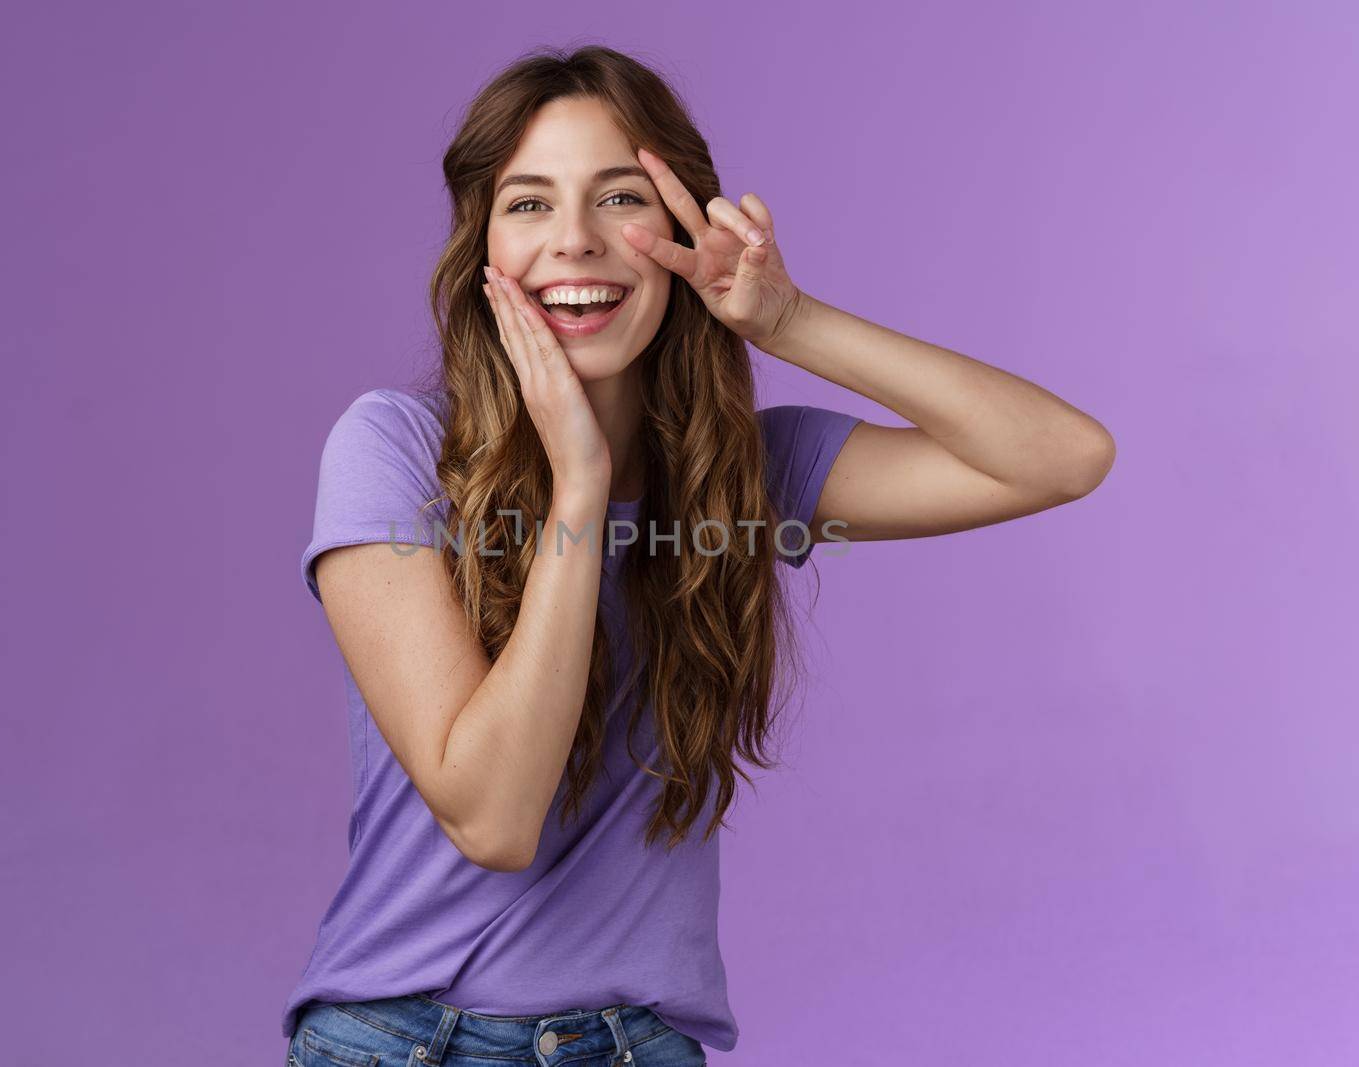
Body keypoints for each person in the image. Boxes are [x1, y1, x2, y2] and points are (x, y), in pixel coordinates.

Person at [282, 45, 1114, 1067]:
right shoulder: (394, 451)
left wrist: (789, 319)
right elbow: (494, 815)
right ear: (482, 247)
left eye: (618, 197)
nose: (574, 243)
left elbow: (1063, 457)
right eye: (529, 204)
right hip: (405, 1041)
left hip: (635, 1045)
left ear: (680, 231)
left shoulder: (744, 477)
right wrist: (579, 488)